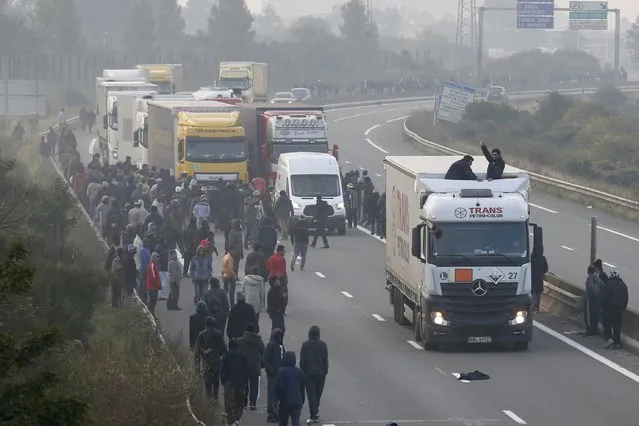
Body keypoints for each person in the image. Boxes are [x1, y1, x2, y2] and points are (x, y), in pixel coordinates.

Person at [300, 326, 328, 424]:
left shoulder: (305, 345)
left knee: (311, 394)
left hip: (308, 373)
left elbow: (302, 360)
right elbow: (325, 359)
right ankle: (315, 412)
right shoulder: (323, 345)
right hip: (320, 373)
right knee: (317, 394)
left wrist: (302, 372)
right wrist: (325, 371)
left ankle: (313, 413)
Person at [194, 316, 227, 400]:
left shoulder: (201, 335)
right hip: (216, 361)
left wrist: (197, 366)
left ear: (205, 325)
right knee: (216, 379)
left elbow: (197, 351)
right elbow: (224, 348)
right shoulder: (218, 334)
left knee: (207, 381)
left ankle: (209, 398)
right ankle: (215, 396)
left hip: (206, 361)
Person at [237, 323, 266, 411]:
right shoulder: (259, 341)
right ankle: (252, 403)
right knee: (254, 385)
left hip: (243, 366)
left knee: (243, 385)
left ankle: (243, 402)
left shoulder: (239, 341)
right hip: (255, 366)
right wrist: (261, 364)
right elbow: (264, 354)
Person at [220, 339, 250, 425]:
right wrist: (245, 383)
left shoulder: (226, 356)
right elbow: (246, 371)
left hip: (229, 383)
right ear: (238, 346)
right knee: (239, 403)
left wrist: (223, 381)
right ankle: (237, 418)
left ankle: (231, 421)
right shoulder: (243, 356)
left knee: (229, 404)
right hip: (240, 383)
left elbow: (222, 370)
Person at [276, 351, 305, 426]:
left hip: (285, 401)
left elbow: (279, 387)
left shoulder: (281, 371)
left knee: (283, 421)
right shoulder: (299, 372)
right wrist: (302, 400)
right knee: (295, 421)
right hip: (297, 401)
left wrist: (278, 399)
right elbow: (302, 387)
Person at [600, 271, 628, 349]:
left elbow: (603, 296)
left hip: (609, 307)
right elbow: (626, 298)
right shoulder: (623, 285)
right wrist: (623, 307)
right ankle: (617, 342)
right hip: (619, 308)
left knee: (606, 323)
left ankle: (609, 339)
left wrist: (602, 306)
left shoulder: (608, 284)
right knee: (617, 325)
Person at [264, 328, 285, 423]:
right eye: (278, 336)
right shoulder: (270, 345)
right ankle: (272, 413)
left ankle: (277, 412)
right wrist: (271, 370)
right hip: (273, 374)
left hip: (280, 374)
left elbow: (284, 358)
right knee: (272, 394)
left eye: (281, 336)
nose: (280, 338)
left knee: (278, 395)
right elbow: (265, 360)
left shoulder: (281, 346)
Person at [584, 265, 603, 336]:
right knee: (595, 316)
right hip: (597, 300)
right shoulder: (597, 278)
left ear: (588, 271)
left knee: (589, 316)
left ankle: (590, 331)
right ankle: (594, 331)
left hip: (590, 299)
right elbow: (603, 286)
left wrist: (593, 293)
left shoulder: (589, 278)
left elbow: (590, 287)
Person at [530, 247, 548, 313]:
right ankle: (537, 308)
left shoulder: (531, 257)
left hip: (531, 278)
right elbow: (546, 268)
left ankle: (531, 307)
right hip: (539, 279)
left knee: (531, 293)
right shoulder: (542, 258)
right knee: (537, 294)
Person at [146, 252, 161, 316]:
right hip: (152, 287)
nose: (158, 259)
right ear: (154, 258)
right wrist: (158, 284)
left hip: (155, 287)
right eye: (157, 258)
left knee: (153, 302)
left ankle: (152, 314)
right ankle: (150, 315)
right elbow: (153, 278)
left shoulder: (155, 265)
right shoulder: (151, 266)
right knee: (152, 302)